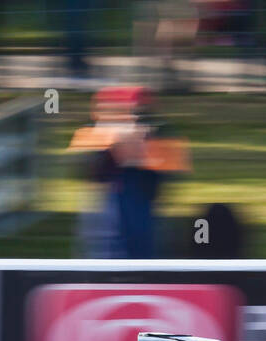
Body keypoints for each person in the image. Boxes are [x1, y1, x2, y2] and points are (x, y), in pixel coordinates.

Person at [69, 87, 191, 258]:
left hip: (142, 229)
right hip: (107, 236)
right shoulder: (94, 141)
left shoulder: (159, 142)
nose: (134, 123)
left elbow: (165, 176)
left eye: (139, 117)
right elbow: (89, 170)